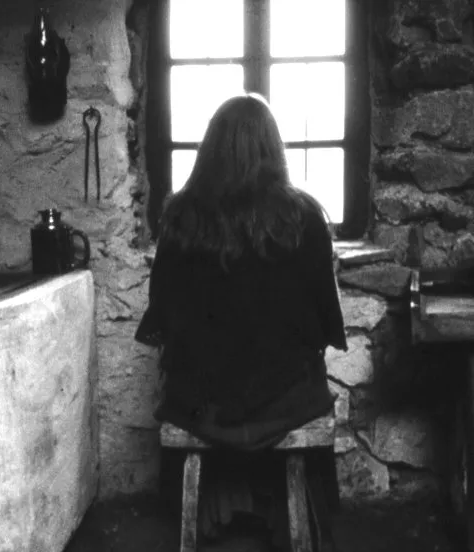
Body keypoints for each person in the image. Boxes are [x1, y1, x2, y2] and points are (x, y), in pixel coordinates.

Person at [135, 92, 347, 550]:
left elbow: (163, 317)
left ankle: (223, 504)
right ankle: (275, 510)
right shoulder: (303, 217)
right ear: (273, 148)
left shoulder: (181, 217)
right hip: (285, 400)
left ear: (211, 148)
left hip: (203, 402)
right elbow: (324, 324)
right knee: (303, 371)